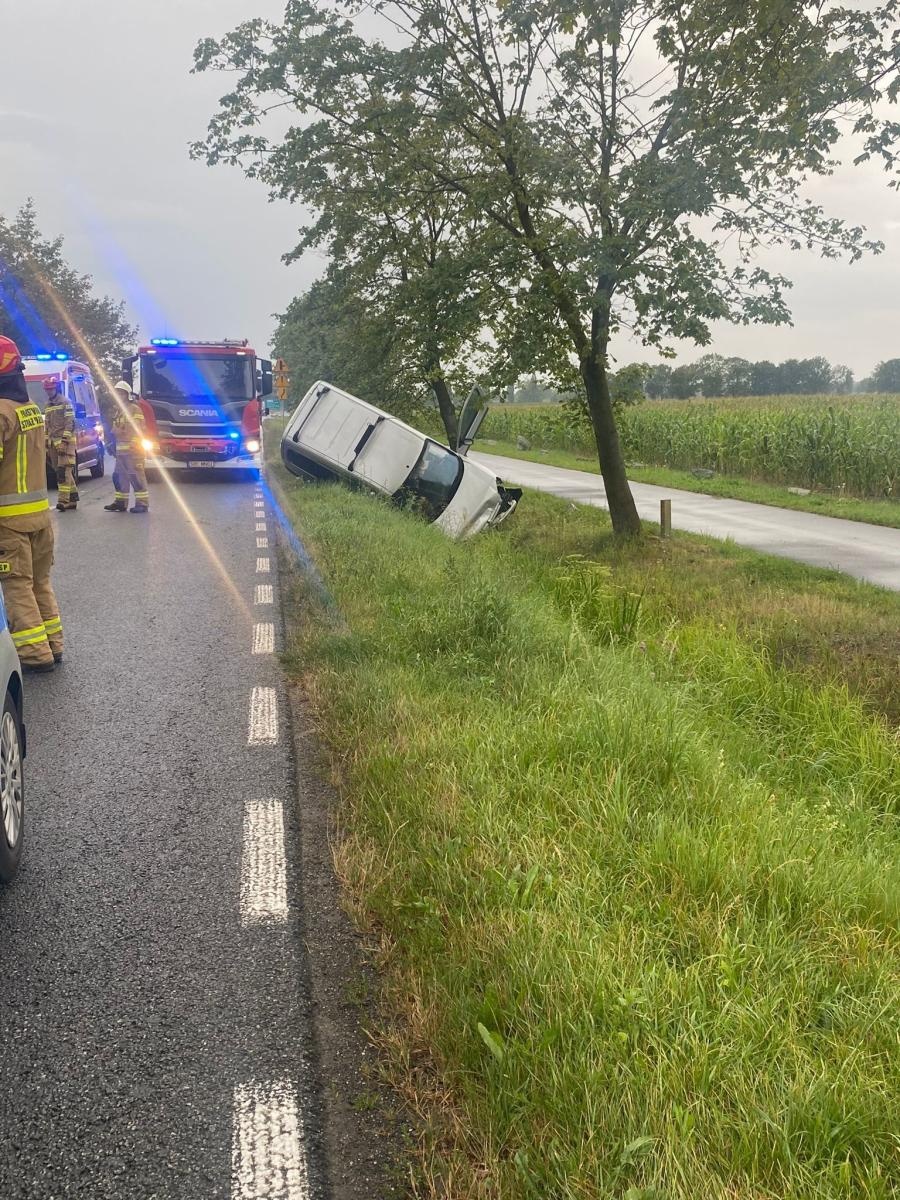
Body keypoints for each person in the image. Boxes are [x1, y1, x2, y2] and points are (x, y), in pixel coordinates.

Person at [0, 335, 63, 672]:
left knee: (16, 587)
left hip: (8, 522)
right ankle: (53, 644)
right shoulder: (31, 411)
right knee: (40, 583)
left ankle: (35, 655)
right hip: (39, 517)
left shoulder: (1, 413)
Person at [104, 380, 149, 514]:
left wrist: (133, 447)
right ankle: (120, 502)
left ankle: (142, 504)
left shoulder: (135, 409)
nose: (119, 396)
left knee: (136, 477)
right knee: (118, 477)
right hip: (121, 453)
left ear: (127, 395)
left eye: (122, 394)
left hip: (133, 452)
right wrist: (111, 443)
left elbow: (137, 430)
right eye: (117, 393)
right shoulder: (118, 411)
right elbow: (115, 430)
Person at [43, 378, 79, 512]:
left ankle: (63, 501)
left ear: (56, 388)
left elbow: (70, 423)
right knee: (60, 471)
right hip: (53, 444)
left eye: (50, 389)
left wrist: (64, 442)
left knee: (63, 472)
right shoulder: (48, 405)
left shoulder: (65, 402)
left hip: (66, 443)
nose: (48, 392)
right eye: (46, 389)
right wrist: (46, 442)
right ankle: (73, 499)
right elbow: (47, 425)